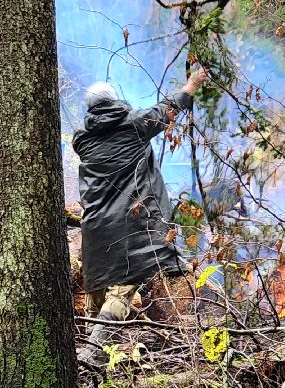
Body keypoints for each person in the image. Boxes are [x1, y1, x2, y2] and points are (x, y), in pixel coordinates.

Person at [74, 65, 209, 359]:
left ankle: (87, 354)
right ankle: (93, 356)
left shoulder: (82, 141)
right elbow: (170, 106)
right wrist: (193, 83)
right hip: (130, 224)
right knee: (122, 290)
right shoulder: (134, 126)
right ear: (115, 102)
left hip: (95, 225)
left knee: (96, 288)